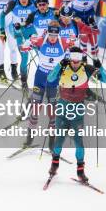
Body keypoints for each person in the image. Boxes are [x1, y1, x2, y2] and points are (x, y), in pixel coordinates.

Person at [46, 46, 106, 182]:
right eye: (73, 58)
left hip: (77, 112)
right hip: (62, 110)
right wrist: (58, 65)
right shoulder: (64, 67)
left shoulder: (86, 68)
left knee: (79, 143)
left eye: (78, 59)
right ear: (70, 58)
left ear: (81, 59)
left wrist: (100, 67)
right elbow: (50, 79)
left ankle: (80, 172)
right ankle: (54, 165)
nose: (75, 62)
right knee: (59, 141)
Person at [20, 21, 76, 150]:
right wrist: (27, 44)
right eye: (50, 34)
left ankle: (52, 142)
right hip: (40, 78)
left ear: (58, 34)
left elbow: (78, 50)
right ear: (48, 32)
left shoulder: (64, 42)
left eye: (54, 35)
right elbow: (23, 47)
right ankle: (29, 139)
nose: (52, 38)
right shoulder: (41, 40)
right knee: (35, 110)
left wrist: (75, 44)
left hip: (54, 81)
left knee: (52, 113)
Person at [0, 0, 37, 89]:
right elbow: (2, 15)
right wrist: (2, 31)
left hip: (31, 31)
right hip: (18, 32)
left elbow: (45, 9)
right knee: (25, 57)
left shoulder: (34, 1)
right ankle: (24, 81)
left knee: (40, 54)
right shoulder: (13, 3)